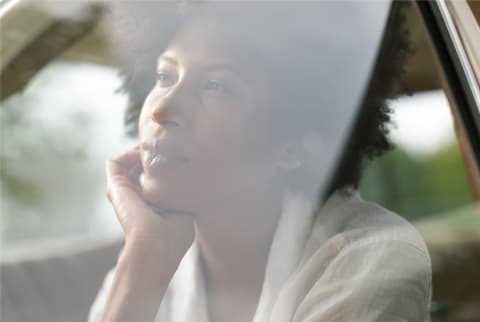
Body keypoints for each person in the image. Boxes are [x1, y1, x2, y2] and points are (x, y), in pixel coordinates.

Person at [89, 2, 431, 322]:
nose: (162, 110)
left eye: (214, 85)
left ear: (292, 141)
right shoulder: (146, 259)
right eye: (165, 76)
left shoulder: (373, 260)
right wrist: (146, 256)